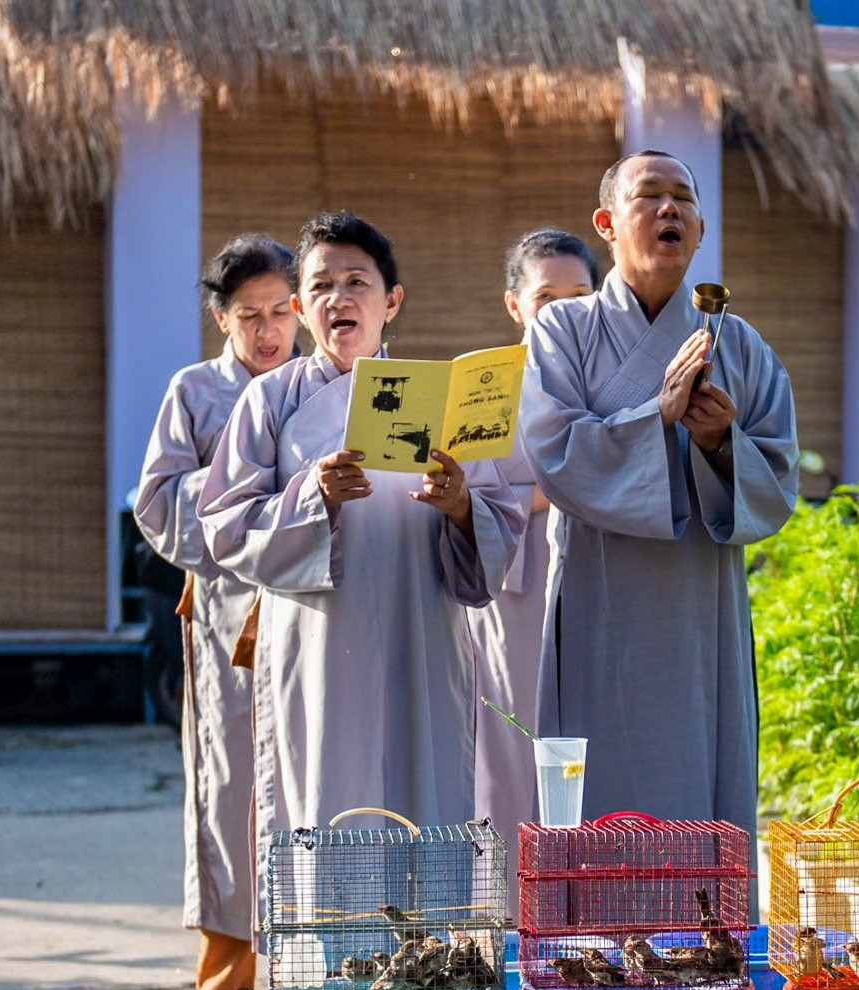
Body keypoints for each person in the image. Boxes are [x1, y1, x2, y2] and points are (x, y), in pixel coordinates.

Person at [199, 212, 525, 862]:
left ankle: (424, 961)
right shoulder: (270, 403)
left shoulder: (443, 397)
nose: (339, 298)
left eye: (357, 282)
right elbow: (225, 527)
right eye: (320, 286)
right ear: (299, 305)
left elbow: (499, 524)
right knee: (326, 804)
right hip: (318, 649)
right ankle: (328, 962)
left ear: (391, 300)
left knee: (423, 805)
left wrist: (461, 507)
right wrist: (309, 499)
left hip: (421, 636)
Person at [519, 151, 799, 836]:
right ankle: (593, 942)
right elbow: (553, 451)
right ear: (608, 222)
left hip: (698, 602)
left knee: (696, 783)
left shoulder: (744, 346)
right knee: (600, 791)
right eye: (649, 196)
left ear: (701, 232)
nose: (669, 209)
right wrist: (656, 418)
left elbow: (779, 476)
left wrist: (719, 445)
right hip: (598, 590)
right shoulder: (563, 330)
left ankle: (703, 937)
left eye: (684, 198)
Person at [133, 234, 298, 990]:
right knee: (229, 792)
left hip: (319, 610)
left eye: (278, 313)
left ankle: (315, 970)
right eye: (248, 317)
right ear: (219, 318)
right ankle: (221, 982)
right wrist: (243, 486)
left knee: (315, 788)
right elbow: (156, 501)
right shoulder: (195, 392)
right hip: (230, 611)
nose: (267, 333)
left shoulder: (329, 385)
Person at [471, 228, 600, 843]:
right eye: (549, 296)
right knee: (512, 745)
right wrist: (563, 484)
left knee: (594, 745)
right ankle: (512, 914)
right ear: (514, 305)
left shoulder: (611, 382)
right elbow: (467, 496)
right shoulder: (486, 388)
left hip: (600, 577)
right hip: (514, 584)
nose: (569, 310)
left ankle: (597, 910)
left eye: (582, 294)